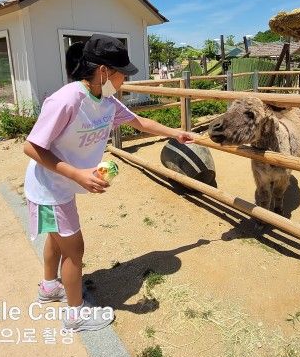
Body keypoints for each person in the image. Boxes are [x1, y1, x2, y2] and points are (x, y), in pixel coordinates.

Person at [23, 34, 195, 332]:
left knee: (56, 238)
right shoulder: (67, 100)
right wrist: (77, 174)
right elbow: (32, 147)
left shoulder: (106, 102)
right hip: (50, 187)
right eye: (121, 74)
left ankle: (50, 288)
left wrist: (174, 132)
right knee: (74, 250)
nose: (124, 81)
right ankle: (75, 315)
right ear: (103, 71)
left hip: (62, 186)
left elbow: (138, 123)